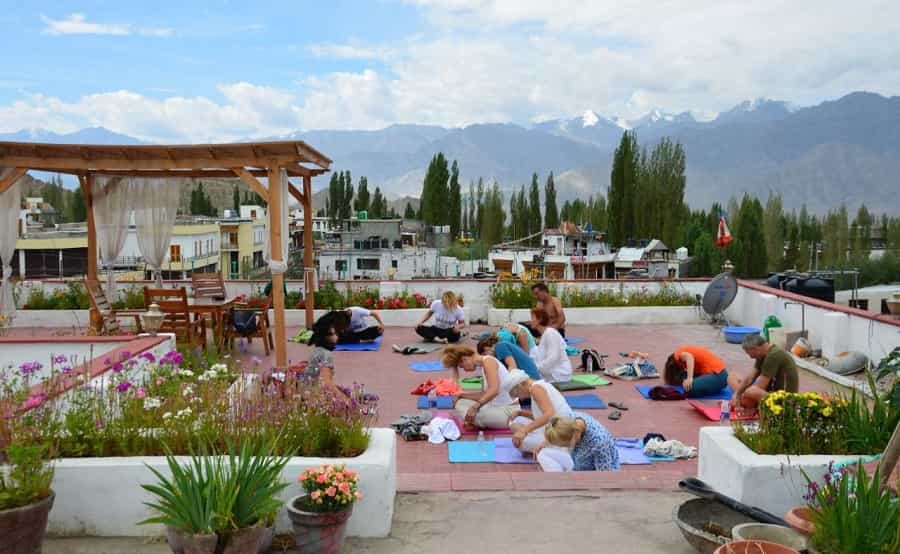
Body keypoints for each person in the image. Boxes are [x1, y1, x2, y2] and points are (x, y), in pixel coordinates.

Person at [442, 345, 518, 430]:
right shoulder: (484, 364)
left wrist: (475, 407)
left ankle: (474, 421)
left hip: (509, 412)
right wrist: (461, 395)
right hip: (496, 407)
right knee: (461, 402)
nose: (465, 370)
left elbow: (494, 390)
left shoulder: (489, 362)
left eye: (462, 367)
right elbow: (484, 394)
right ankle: (474, 420)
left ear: (465, 359)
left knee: (468, 410)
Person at [505, 369, 573, 453]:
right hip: (555, 426)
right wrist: (521, 413)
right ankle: (541, 441)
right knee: (516, 422)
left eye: (517, 394)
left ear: (521, 385)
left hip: (560, 432)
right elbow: (541, 416)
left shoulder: (536, 389)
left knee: (521, 443)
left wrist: (524, 430)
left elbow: (549, 415)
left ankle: (555, 447)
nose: (521, 398)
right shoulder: (538, 386)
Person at [729, 334, 799, 412]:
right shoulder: (762, 353)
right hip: (769, 392)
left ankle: (744, 402)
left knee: (751, 392)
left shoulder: (774, 355)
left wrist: (741, 394)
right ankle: (741, 400)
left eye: (749, 353)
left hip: (784, 399)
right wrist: (737, 394)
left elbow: (760, 387)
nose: (750, 357)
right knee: (732, 376)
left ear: (756, 349)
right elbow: (750, 378)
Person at [538, 414, 620, 472]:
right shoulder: (571, 419)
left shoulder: (599, 442)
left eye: (565, 445)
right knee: (542, 453)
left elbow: (605, 475)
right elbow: (557, 430)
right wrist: (545, 442)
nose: (565, 447)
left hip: (591, 472)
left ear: (575, 434)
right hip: (576, 463)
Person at [304, 322, 350, 401]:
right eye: (334, 334)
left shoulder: (317, 351)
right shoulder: (326, 354)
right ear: (325, 337)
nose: (336, 336)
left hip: (306, 391)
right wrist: (345, 400)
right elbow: (326, 383)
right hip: (315, 396)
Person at [663, 345, 729, 398]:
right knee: (685, 378)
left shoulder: (678, 355)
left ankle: (712, 386)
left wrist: (689, 378)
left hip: (719, 376)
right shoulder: (680, 355)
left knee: (689, 389)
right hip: (718, 376)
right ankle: (712, 386)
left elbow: (689, 357)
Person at [528, 307, 572, 383]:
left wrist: (537, 368)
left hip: (560, 374)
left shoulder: (550, 333)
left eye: (532, 318)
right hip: (552, 372)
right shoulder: (545, 334)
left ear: (539, 319)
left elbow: (553, 357)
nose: (530, 321)